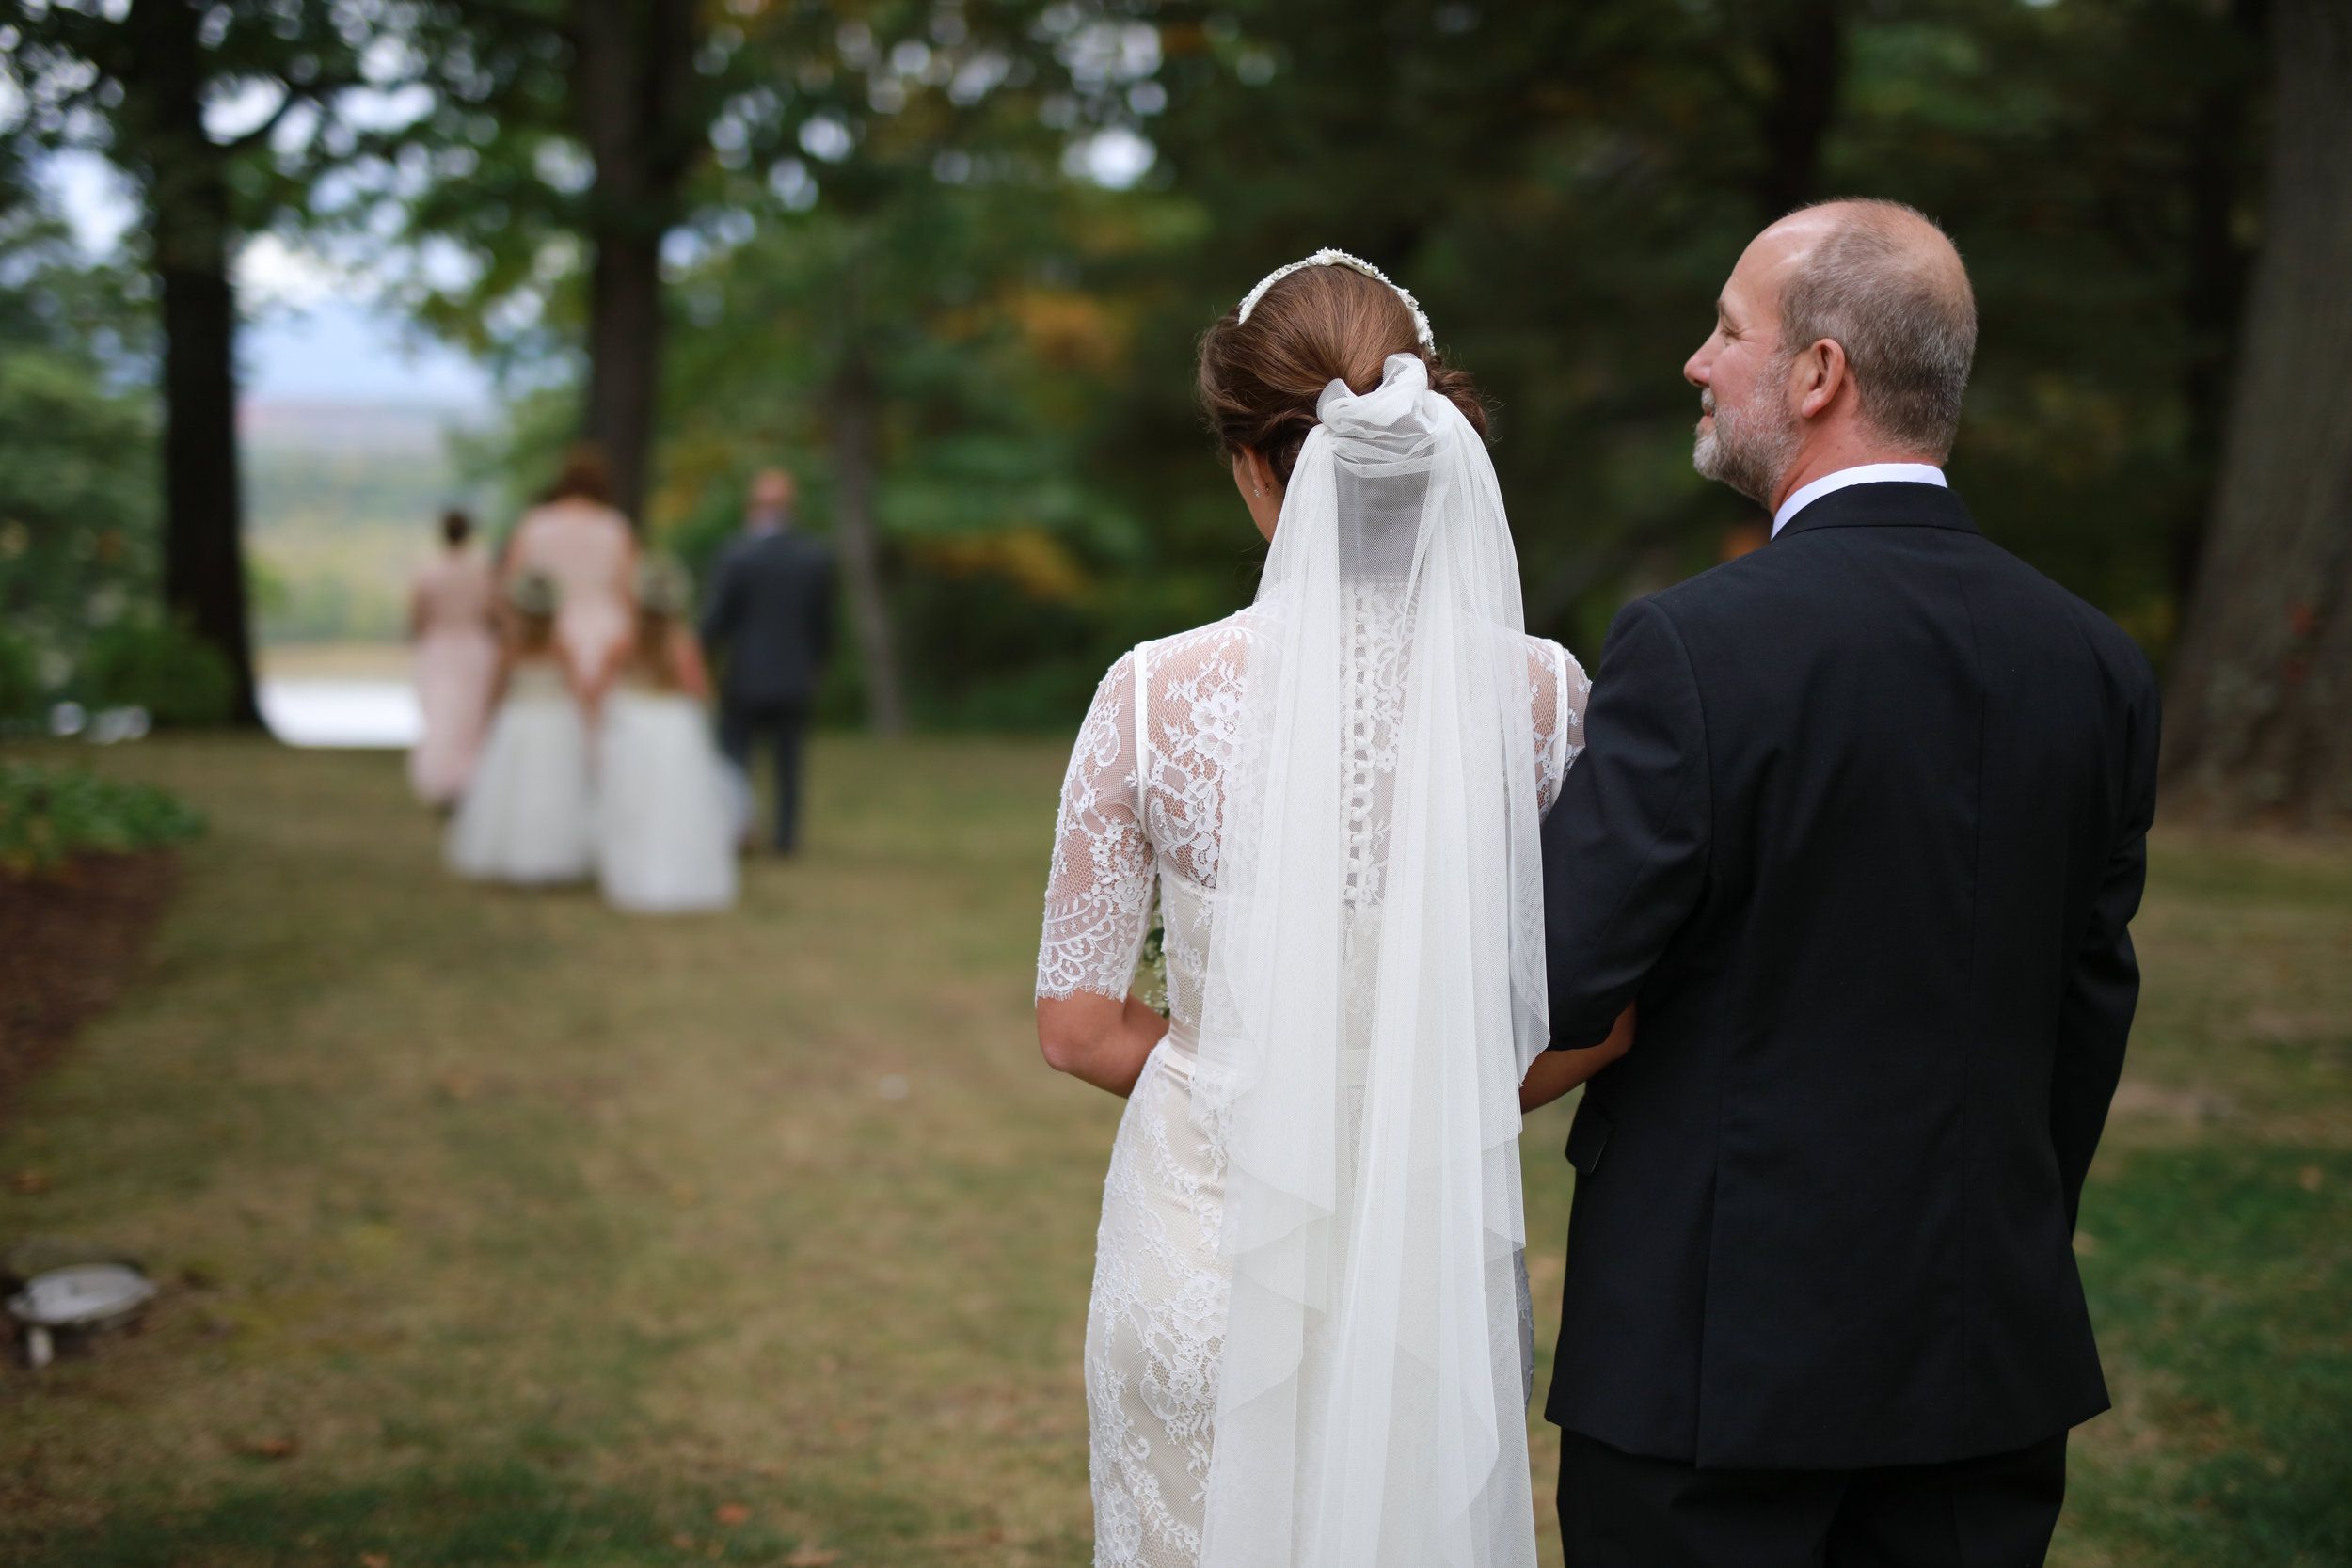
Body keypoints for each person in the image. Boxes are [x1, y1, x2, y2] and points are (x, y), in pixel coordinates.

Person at [1537, 200, 2159, 1566]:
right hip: (1982, 1358)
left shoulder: (1696, 648)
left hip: (1714, 1371)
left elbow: (1562, 979)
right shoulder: (2097, 662)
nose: (1698, 362)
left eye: (1727, 329)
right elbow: (2084, 1015)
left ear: (1819, 374)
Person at [1034, 252, 1629, 1568]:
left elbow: (1075, 1025)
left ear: (1255, 463)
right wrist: (1426, 1099)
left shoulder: (1151, 695)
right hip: (1426, 1260)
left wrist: (1242, 1076)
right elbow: (1603, 1016)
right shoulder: (1545, 700)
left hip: (1203, 1246)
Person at [700, 467, 834, 854]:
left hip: (746, 674)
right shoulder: (813, 557)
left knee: (736, 757)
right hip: (796, 675)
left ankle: (738, 829)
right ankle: (786, 839)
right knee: (788, 764)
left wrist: (695, 659)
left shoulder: (738, 555)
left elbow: (716, 620)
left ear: (754, 506)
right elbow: (822, 626)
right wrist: (817, 666)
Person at [595, 557, 738, 913]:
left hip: (634, 726)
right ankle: (677, 873)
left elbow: (601, 687)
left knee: (635, 804)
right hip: (673, 725)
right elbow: (699, 690)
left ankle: (636, 875)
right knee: (676, 804)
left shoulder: (624, 642)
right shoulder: (682, 644)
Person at [447, 572, 596, 885]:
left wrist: (488, 727)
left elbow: (495, 696)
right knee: (540, 788)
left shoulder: (528, 650)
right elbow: (576, 692)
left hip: (534, 722)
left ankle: (548, 855)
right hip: (545, 723)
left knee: (546, 789)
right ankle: (535, 855)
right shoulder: (541, 650)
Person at [504, 442, 638, 700]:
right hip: (608, 634)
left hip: (546, 633)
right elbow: (629, 591)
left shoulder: (535, 524)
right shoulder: (616, 527)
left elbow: (512, 585)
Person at [405, 507, 500, 807]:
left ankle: (441, 775)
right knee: (471, 714)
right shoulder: (482, 570)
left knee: (441, 711)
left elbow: (417, 619)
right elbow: (493, 614)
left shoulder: (428, 570)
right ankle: (468, 775)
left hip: (440, 648)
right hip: (475, 648)